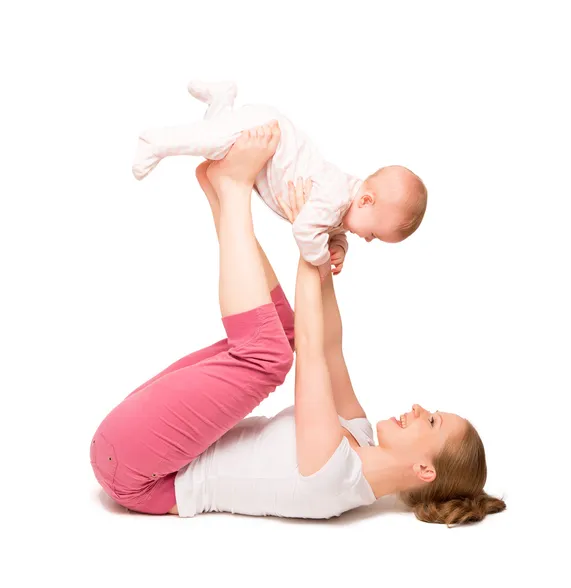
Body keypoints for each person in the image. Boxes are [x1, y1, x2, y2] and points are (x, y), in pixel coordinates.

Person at [92, 124, 505, 526]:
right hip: (145, 445)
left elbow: (310, 353)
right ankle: (220, 191)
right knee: (284, 334)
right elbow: (327, 345)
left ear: (424, 470)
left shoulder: (334, 478)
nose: (419, 409)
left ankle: (235, 188)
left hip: (137, 472)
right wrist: (324, 262)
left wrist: (312, 235)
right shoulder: (357, 434)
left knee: (269, 357)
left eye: (431, 421)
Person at [132, 81, 427, 280]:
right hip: (269, 135)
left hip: (268, 141)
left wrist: (339, 245)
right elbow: (306, 230)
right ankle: (157, 142)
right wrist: (322, 260)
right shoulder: (337, 196)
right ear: (366, 201)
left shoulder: (342, 204)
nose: (367, 240)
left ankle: (221, 101)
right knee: (214, 143)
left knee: (220, 142)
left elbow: (330, 227)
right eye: (373, 234)